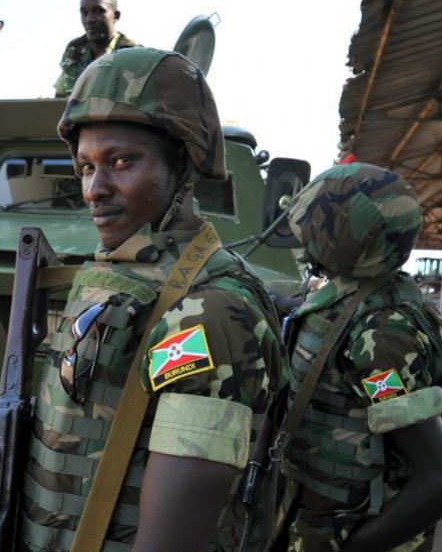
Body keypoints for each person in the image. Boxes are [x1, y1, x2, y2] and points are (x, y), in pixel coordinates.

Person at [18, 46, 283, 552]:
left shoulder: (211, 311)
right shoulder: (113, 271)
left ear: (183, 165)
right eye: (85, 167)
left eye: (122, 161)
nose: (95, 189)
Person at [280, 162, 442, 552]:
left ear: (338, 243)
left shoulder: (381, 335)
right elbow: (323, 310)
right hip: (315, 518)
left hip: (348, 532)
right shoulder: (362, 291)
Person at [53, 0, 139, 98]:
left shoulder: (132, 53)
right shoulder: (75, 50)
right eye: (84, 13)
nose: (89, 19)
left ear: (115, 16)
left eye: (98, 11)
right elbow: (60, 98)